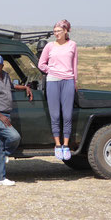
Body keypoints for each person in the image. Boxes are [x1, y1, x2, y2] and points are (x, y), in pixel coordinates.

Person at [0, 54, 33, 186]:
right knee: (14, 136)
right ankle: (6, 154)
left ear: (2, 66)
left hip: (4, 115)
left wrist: (25, 87)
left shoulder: (5, 76)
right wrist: (1, 117)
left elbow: (11, 87)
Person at [38, 19, 78, 161]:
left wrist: (75, 81)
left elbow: (74, 65)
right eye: (54, 31)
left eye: (59, 31)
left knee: (67, 115)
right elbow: (41, 64)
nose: (56, 34)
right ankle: (57, 144)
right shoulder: (49, 46)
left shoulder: (72, 45)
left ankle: (66, 145)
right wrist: (51, 70)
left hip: (68, 80)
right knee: (55, 115)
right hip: (53, 81)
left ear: (66, 31)